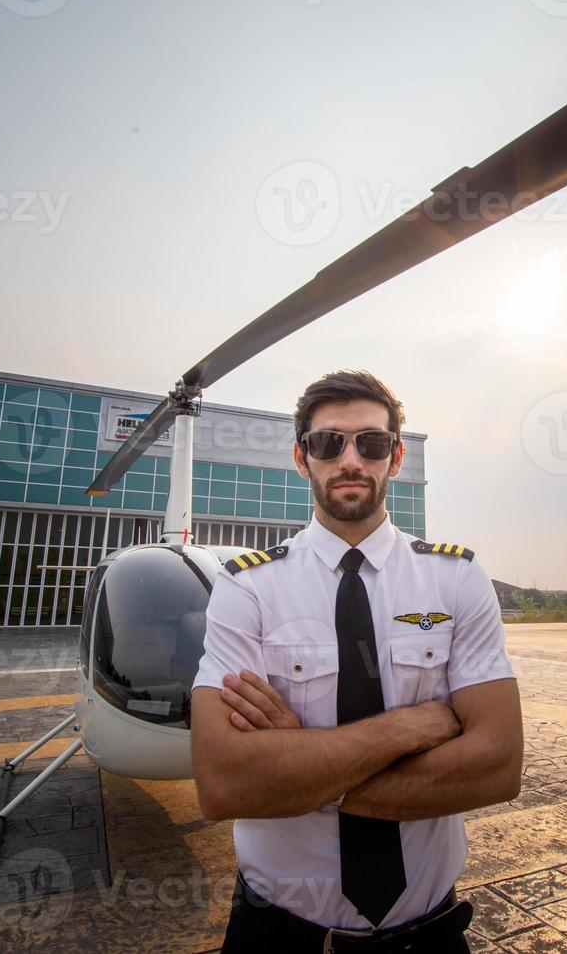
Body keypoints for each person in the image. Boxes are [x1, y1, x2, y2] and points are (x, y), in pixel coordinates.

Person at [191, 370, 523, 953]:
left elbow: (496, 767)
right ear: (302, 458)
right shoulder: (247, 588)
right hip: (280, 935)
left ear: (394, 458)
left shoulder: (457, 579)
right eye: (328, 443)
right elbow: (223, 783)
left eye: (370, 443)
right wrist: (410, 726)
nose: (350, 459)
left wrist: (296, 772)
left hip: (430, 935)